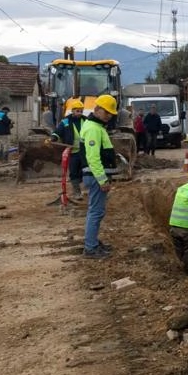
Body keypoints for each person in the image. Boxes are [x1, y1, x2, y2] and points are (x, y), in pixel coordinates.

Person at [80, 94, 120, 258]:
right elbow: (93, 157)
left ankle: (93, 243)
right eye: (106, 113)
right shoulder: (93, 129)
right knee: (96, 211)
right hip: (96, 176)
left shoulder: (96, 127)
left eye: (111, 114)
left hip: (97, 175)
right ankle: (90, 247)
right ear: (96, 109)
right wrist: (102, 179)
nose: (109, 116)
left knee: (97, 211)